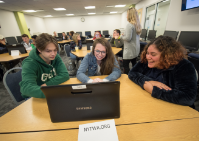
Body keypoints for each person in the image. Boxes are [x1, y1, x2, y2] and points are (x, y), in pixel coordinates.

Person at [128, 35, 197, 108]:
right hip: (150, 103)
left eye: (153, 54)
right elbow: (132, 73)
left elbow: (188, 98)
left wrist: (153, 90)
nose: (148, 57)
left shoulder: (183, 66)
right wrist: (148, 82)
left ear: (167, 55)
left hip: (174, 109)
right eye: (147, 53)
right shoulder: (147, 60)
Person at [19, 33, 70, 98]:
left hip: (49, 90)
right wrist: (51, 92)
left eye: (55, 50)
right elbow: (26, 88)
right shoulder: (30, 63)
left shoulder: (55, 57)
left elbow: (65, 75)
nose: (53, 54)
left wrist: (47, 85)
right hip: (34, 96)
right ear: (39, 50)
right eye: (48, 51)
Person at [121, 7, 142, 74]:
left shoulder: (129, 25)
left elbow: (127, 38)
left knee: (125, 66)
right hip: (135, 50)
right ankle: (134, 76)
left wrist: (121, 36)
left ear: (130, 15)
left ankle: (127, 78)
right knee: (134, 65)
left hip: (129, 51)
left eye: (127, 14)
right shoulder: (137, 25)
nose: (126, 16)